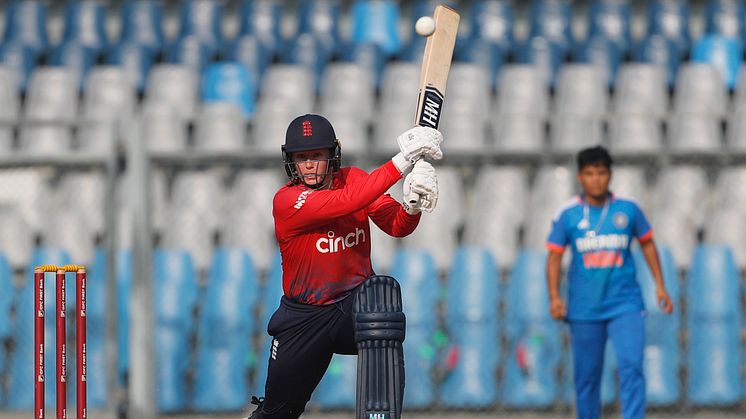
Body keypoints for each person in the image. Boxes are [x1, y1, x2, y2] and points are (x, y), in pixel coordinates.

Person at [248, 114, 442, 418]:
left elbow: (396, 226)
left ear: (332, 155)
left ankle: (380, 415)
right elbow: (347, 202)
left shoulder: (354, 178)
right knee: (278, 414)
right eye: (302, 158)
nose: (309, 165)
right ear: (291, 161)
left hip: (354, 305)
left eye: (317, 156)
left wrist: (412, 205)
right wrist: (403, 160)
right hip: (305, 316)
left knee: (382, 299)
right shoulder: (287, 201)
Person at [545, 146, 674, 419]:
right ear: (580, 176)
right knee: (587, 377)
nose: (596, 179)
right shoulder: (567, 214)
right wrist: (555, 297)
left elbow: (648, 244)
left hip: (624, 304)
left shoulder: (628, 209)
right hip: (584, 308)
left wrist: (660, 285)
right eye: (590, 173)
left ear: (610, 175)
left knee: (631, 366)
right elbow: (554, 257)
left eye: (601, 173)